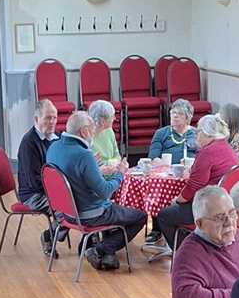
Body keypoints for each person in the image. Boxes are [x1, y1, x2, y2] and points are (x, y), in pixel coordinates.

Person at [45, 111, 145, 273]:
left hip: (66, 213)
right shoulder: (83, 155)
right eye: (92, 128)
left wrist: (95, 171)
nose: (94, 131)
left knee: (118, 212)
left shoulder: (54, 148)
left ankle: (108, 255)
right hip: (91, 214)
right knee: (139, 217)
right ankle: (100, 250)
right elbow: (105, 192)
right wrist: (120, 173)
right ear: (83, 131)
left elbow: (72, 178)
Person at [171, 186, 239, 298]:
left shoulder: (237, 236)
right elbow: (183, 297)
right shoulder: (190, 253)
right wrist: (236, 296)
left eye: (232, 213)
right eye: (220, 218)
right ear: (200, 224)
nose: (229, 222)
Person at [153, 114, 239, 255]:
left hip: (210, 208)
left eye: (197, 132)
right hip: (226, 204)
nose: (196, 136)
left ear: (206, 133)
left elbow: (194, 186)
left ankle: (186, 253)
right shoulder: (225, 147)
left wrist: (178, 200)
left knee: (164, 215)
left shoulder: (208, 151)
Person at [16, 98, 61, 258]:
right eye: (48, 118)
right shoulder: (29, 144)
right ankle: (48, 236)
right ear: (36, 120)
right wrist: (60, 193)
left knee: (79, 203)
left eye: (55, 118)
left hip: (54, 189)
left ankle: (89, 242)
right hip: (32, 194)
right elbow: (35, 182)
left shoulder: (57, 137)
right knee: (66, 209)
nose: (52, 122)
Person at [147, 98, 197, 165]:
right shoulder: (161, 133)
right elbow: (153, 157)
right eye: (173, 112)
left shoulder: (196, 134)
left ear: (188, 118)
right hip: (166, 171)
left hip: (191, 170)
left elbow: (203, 156)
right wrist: (169, 168)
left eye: (180, 113)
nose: (175, 116)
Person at [87, 99, 124, 172]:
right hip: (97, 177)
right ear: (102, 122)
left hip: (113, 173)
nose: (115, 118)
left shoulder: (109, 130)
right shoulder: (87, 137)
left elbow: (116, 154)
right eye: (112, 117)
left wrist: (116, 163)